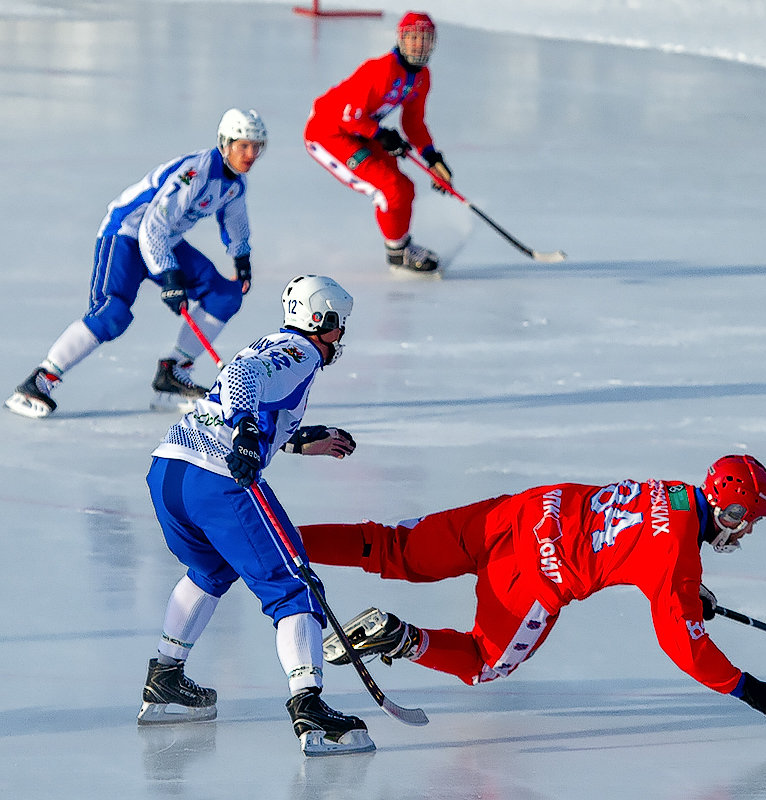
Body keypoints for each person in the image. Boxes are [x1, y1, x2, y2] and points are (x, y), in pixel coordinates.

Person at [299, 454, 766, 732]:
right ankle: (399, 638)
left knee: (396, 546)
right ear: (730, 512)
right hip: (538, 573)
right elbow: (684, 644)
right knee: (483, 662)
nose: (747, 533)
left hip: (521, 513)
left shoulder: (675, 490)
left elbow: (644, 540)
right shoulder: (679, 557)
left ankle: (279, 534)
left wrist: (692, 592)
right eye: (749, 522)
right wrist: (752, 690)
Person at [139, 274, 374, 758]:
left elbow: (242, 396)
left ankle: (165, 676)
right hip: (215, 477)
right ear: (319, 321)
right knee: (294, 587)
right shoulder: (300, 352)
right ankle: (309, 707)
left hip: (170, 470)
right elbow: (244, 375)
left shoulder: (279, 344)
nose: (340, 337)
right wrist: (247, 430)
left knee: (210, 569)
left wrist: (294, 439)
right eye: (337, 326)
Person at [6, 109, 268, 419]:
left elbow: (235, 221)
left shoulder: (234, 183)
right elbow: (151, 226)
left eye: (257, 146)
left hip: (166, 241)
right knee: (112, 313)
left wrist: (242, 259)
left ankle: (172, 374)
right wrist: (169, 276)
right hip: (126, 236)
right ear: (225, 143)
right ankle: (39, 381)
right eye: (244, 146)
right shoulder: (196, 173)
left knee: (226, 295)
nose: (251, 154)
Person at [303, 11, 453, 273]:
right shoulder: (381, 70)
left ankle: (401, 247)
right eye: (413, 38)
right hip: (329, 133)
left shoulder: (421, 77)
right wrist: (382, 135)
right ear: (401, 40)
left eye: (425, 39)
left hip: (361, 131)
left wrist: (432, 158)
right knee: (389, 189)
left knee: (405, 188)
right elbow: (348, 116)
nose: (419, 45)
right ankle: (398, 253)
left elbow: (414, 124)